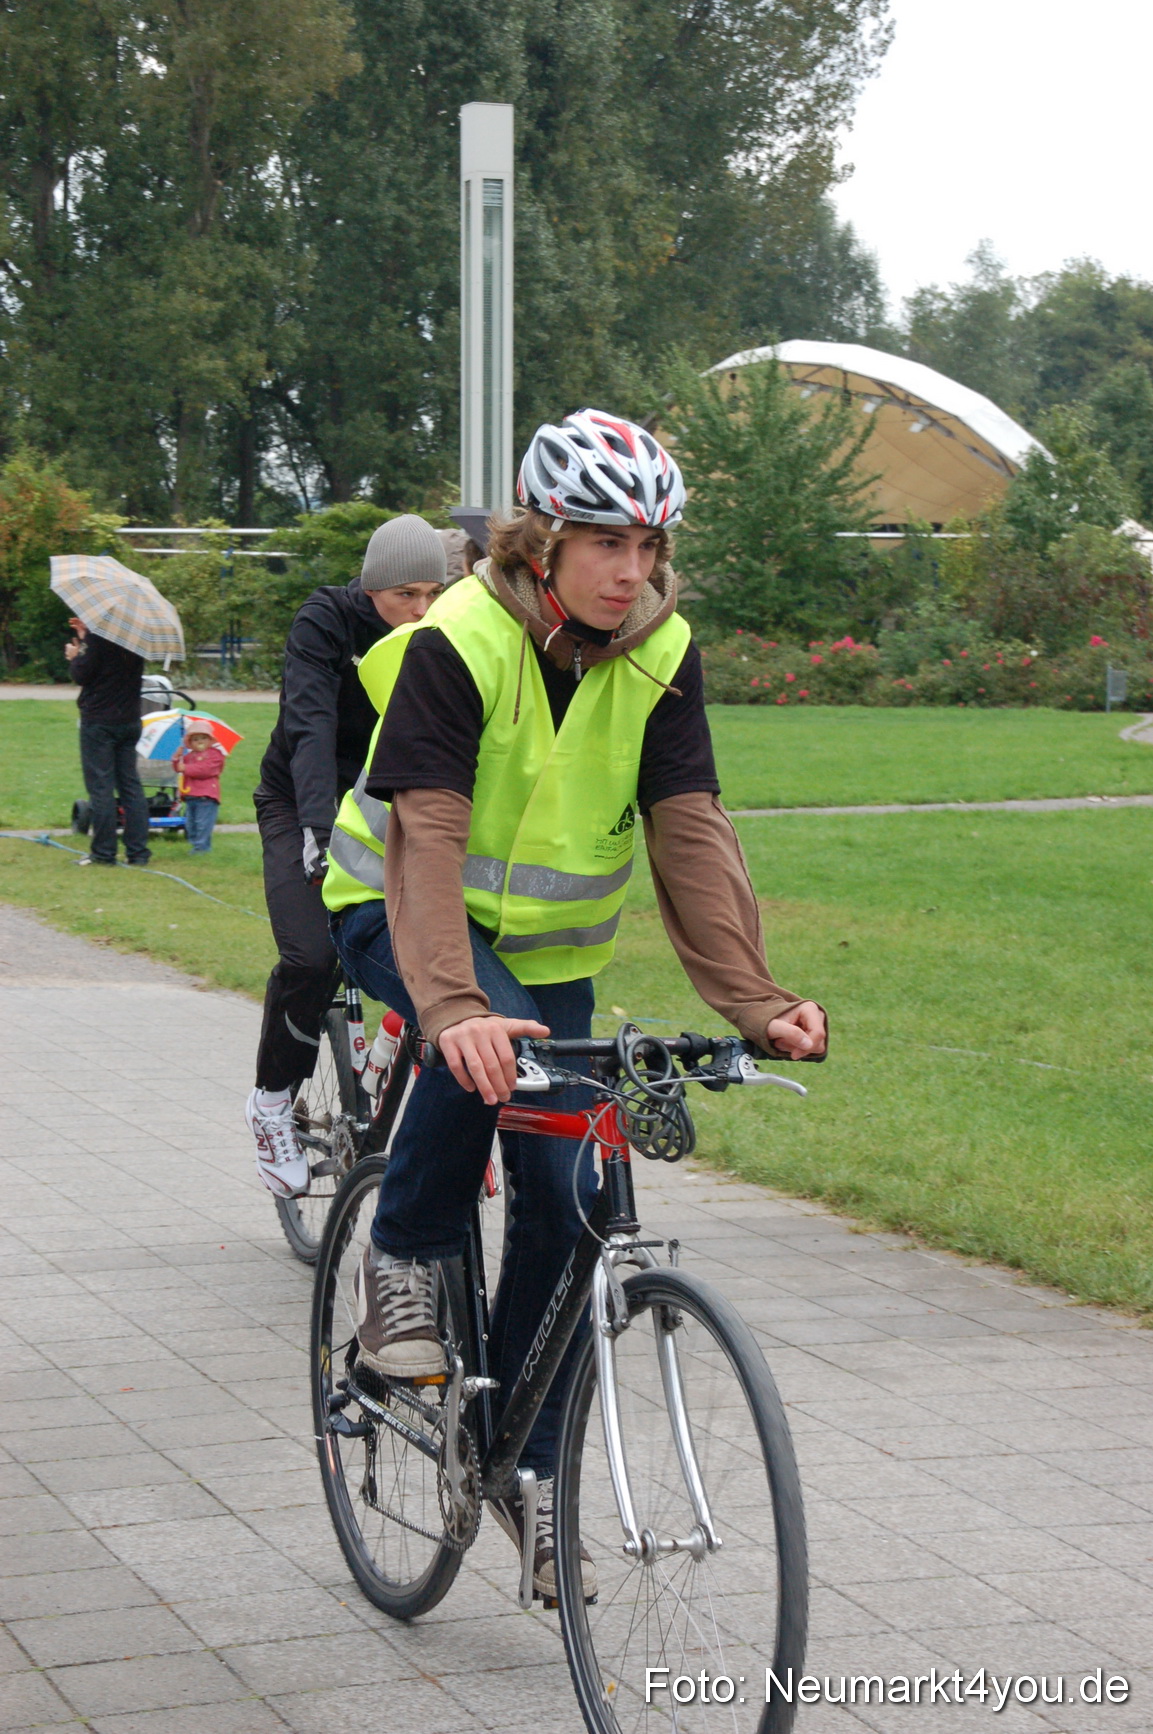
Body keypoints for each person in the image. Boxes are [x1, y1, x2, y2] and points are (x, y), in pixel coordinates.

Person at [322, 408, 828, 1598]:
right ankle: (399, 1261)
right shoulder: (461, 639)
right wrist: (448, 1006)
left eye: (650, 546)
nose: (633, 571)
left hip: (546, 955)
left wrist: (753, 999)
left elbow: (689, 831)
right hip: (396, 910)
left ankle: (526, 1472)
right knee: (478, 1050)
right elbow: (427, 834)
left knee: (568, 1199)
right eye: (608, 543)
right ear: (539, 539)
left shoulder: (659, 649)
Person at [245, 515, 448, 1198]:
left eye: (432, 595)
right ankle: (272, 1102)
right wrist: (312, 825)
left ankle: (406, 1088)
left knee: (440, 953)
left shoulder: (441, 632)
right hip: (301, 800)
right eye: (405, 596)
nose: (419, 611)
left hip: (387, 807)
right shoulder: (327, 620)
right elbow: (310, 721)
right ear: (371, 589)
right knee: (311, 956)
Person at [64, 618, 151, 868]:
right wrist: (84, 637)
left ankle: (103, 852)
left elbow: (82, 674)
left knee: (101, 786)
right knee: (130, 785)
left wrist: (74, 654)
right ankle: (138, 852)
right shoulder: (135, 639)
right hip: (129, 720)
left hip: (100, 722)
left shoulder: (99, 638)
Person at [172, 724, 226, 853]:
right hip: (191, 795)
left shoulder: (215, 755)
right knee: (191, 824)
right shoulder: (189, 756)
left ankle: (201, 848)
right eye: (195, 739)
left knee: (203, 824)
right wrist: (176, 759)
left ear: (210, 740)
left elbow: (205, 770)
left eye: (203, 738)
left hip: (206, 796)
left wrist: (185, 768)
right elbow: (178, 768)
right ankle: (196, 845)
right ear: (190, 743)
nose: (200, 741)